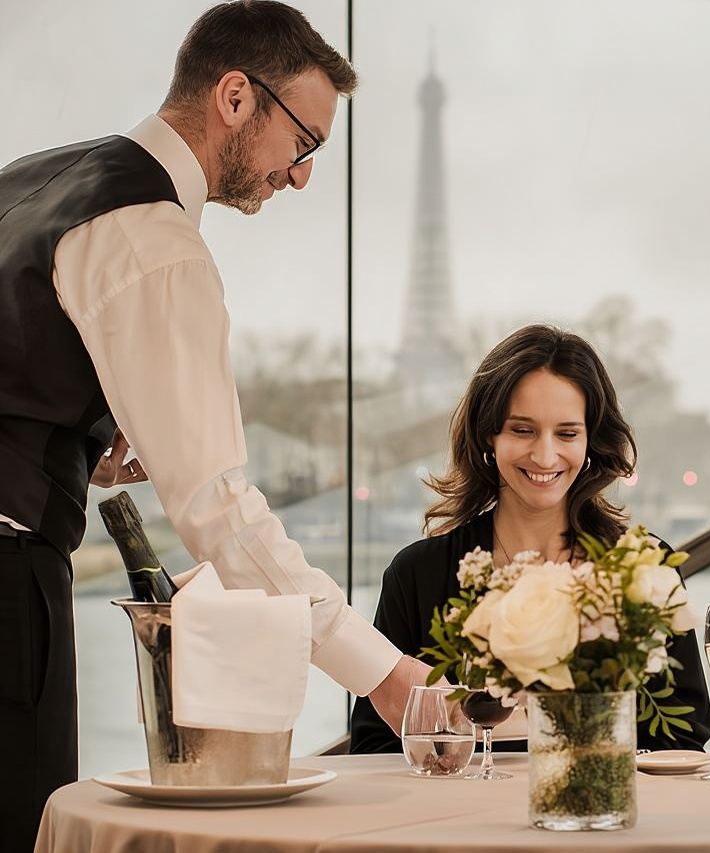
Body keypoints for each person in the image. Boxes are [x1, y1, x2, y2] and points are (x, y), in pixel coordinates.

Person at [0, 4, 428, 848]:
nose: (301, 175)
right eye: (302, 142)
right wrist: (385, 676)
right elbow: (220, 515)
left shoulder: (26, 177)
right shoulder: (157, 240)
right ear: (236, 96)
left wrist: (70, 441)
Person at [350, 324, 710, 754]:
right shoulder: (415, 575)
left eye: (567, 433)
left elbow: (684, 737)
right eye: (522, 430)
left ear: (591, 441)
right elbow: (373, 747)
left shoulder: (646, 567)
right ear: (489, 435)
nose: (544, 456)